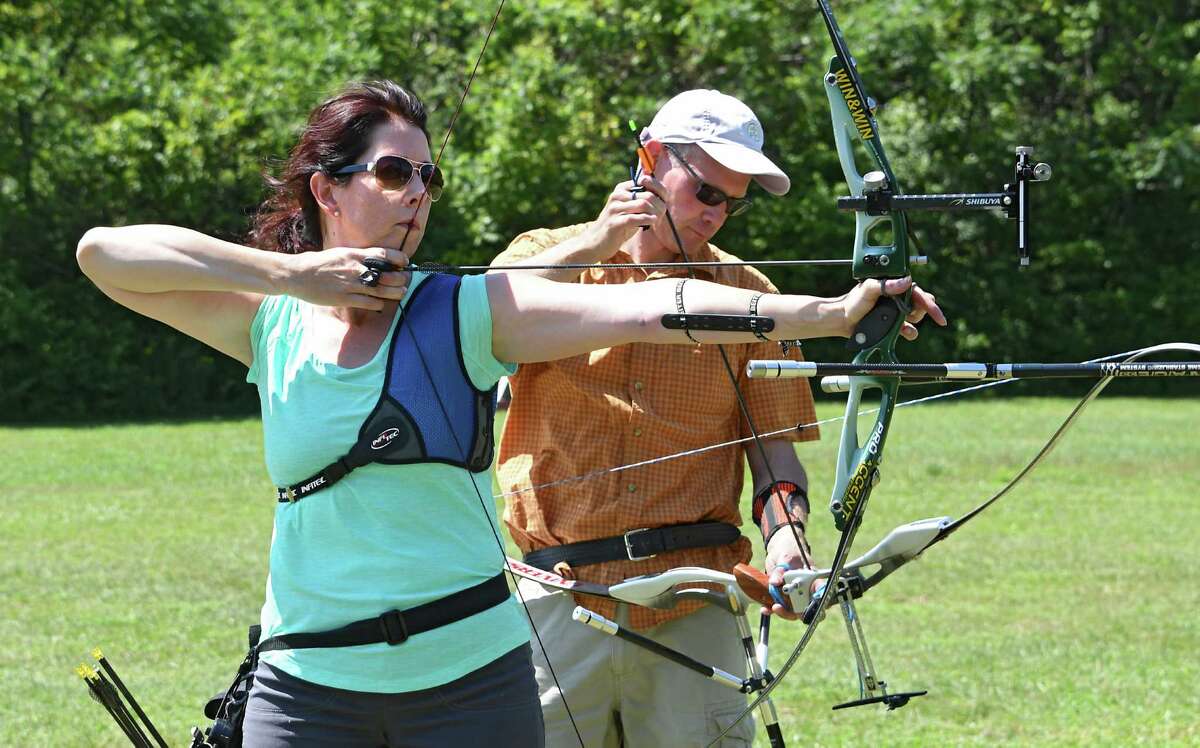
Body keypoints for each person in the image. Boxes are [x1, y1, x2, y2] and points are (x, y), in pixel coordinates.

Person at [75, 80, 944, 748]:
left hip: (502, 658)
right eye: (392, 172)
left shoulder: (463, 308)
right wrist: (291, 276)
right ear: (326, 189)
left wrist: (828, 315)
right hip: (360, 657)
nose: (417, 192)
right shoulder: (275, 320)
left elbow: (658, 307)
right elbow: (105, 255)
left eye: (427, 175)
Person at [489, 89, 859, 746]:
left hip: (697, 599)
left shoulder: (749, 298)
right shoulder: (552, 257)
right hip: (559, 597)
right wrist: (600, 240)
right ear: (652, 159)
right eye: (706, 193)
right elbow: (490, 312)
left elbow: (774, 456)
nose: (717, 216)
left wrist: (786, 541)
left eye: (732, 202)